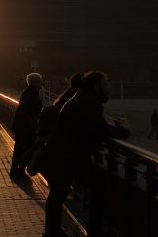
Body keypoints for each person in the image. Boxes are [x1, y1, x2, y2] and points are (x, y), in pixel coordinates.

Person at [40, 71, 130, 237]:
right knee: (97, 185)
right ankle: (94, 230)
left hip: (60, 155)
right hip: (68, 157)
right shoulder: (87, 103)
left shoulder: (80, 99)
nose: (108, 88)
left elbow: (93, 126)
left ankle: (52, 231)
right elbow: (99, 128)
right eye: (105, 84)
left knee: (57, 194)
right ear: (96, 87)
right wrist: (123, 132)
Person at [10, 72, 44, 179]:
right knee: (27, 149)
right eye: (40, 82)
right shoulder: (33, 94)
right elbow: (37, 111)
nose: (41, 84)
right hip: (26, 128)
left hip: (20, 126)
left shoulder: (26, 93)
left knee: (19, 149)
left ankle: (15, 170)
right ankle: (20, 171)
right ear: (35, 83)